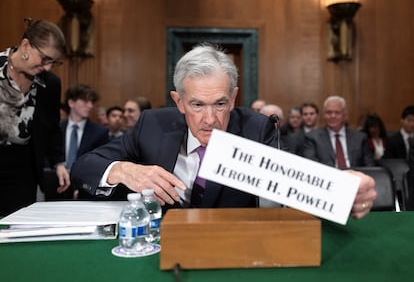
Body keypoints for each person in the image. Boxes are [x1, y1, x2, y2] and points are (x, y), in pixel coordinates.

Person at [71, 44, 376, 219]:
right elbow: (83, 167)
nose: (210, 119)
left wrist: (337, 189)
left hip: (231, 247)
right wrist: (124, 170)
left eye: (220, 103)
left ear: (233, 98)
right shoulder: (152, 124)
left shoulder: (257, 127)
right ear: (178, 101)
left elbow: (285, 179)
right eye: (197, 105)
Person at [0, 19, 70, 215]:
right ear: (25, 46)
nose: (48, 67)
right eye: (45, 59)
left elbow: (51, 126)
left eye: (53, 62)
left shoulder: (50, 83)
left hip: (24, 172)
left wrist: (59, 163)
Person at [51, 83, 108, 200]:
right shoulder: (56, 129)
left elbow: (99, 165)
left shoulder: (99, 132)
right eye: (85, 101)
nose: (90, 106)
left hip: (85, 192)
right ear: (71, 103)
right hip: (56, 189)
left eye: (92, 102)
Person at [303, 95, 375, 168]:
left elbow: (369, 166)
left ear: (344, 115)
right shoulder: (312, 138)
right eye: (329, 112)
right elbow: (311, 166)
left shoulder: (360, 138)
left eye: (337, 112)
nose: (333, 116)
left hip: (355, 177)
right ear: (324, 115)